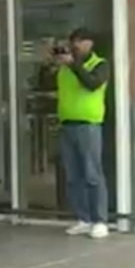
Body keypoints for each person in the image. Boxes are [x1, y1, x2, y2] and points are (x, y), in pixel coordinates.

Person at [54, 28, 111, 239]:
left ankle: (100, 220)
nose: (74, 46)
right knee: (73, 176)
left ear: (90, 44)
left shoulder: (100, 65)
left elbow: (92, 83)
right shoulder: (66, 67)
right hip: (67, 124)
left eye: (79, 42)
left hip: (88, 125)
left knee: (92, 174)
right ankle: (83, 218)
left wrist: (72, 64)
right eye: (72, 42)